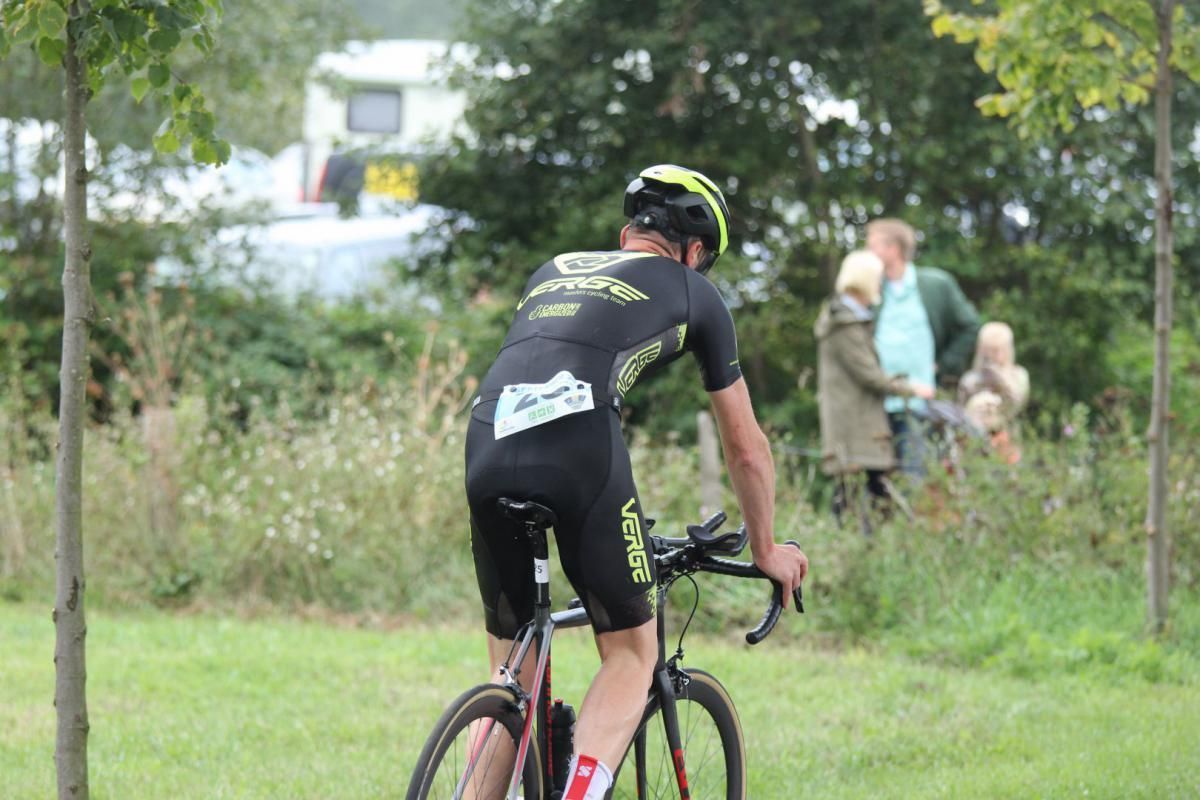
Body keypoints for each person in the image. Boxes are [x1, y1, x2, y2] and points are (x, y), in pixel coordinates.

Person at [464, 164, 809, 798]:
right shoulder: (692, 290)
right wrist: (766, 549)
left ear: (628, 233)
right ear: (696, 251)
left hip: (486, 438)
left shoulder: (553, 268)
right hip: (577, 445)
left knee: (515, 673)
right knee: (629, 653)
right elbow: (746, 445)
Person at [815, 250, 934, 530]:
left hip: (860, 421)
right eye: (878, 279)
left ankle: (867, 548)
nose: (881, 285)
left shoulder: (850, 318)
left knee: (870, 491)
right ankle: (854, 548)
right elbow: (869, 375)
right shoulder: (844, 323)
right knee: (856, 493)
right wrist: (911, 389)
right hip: (855, 424)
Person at [866, 218, 981, 475]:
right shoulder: (871, 288)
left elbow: (970, 326)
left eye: (872, 245)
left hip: (917, 403)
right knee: (875, 484)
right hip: (874, 402)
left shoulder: (934, 285)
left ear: (892, 249)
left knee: (912, 477)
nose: (867, 252)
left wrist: (944, 364)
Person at [959, 321, 1030, 464]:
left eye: (998, 349)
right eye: (989, 350)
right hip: (974, 444)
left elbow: (1017, 405)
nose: (994, 355)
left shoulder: (1019, 375)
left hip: (1007, 441)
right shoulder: (970, 379)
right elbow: (961, 413)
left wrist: (1002, 380)